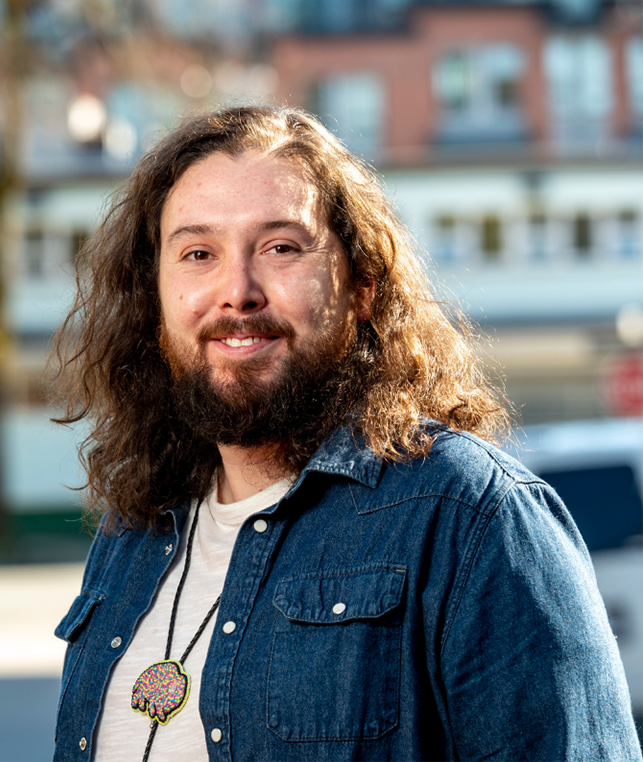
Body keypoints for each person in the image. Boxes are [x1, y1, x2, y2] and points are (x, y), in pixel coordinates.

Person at [50, 106, 641, 762]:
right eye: (198, 253)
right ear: (153, 295)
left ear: (361, 285)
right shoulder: (135, 532)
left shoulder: (471, 519)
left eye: (281, 247)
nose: (237, 291)